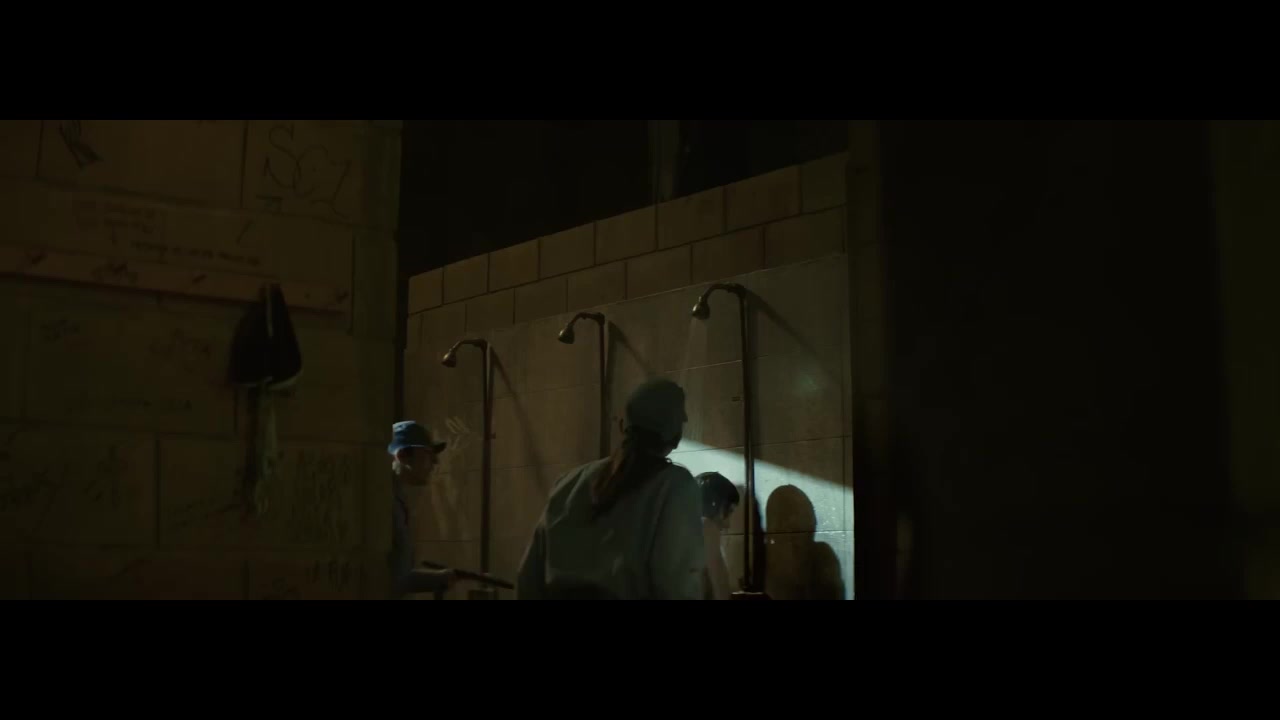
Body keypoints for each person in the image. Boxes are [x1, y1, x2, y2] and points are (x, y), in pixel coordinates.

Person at [516, 378, 706, 600]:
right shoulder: (675, 486)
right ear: (675, 432)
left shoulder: (569, 483)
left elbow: (528, 578)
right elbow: (675, 584)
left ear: (624, 425)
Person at [387, 420, 456, 599]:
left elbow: (398, 576)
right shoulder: (381, 502)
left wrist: (439, 578)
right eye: (427, 454)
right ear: (402, 455)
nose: (435, 462)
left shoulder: (396, 499)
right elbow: (385, 579)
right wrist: (437, 579)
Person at [697, 472, 740, 600]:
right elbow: (717, 589)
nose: (727, 524)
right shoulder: (706, 526)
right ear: (715, 503)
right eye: (729, 511)